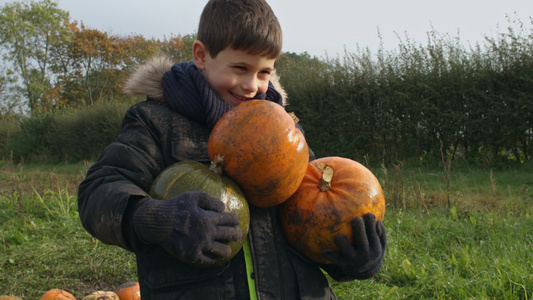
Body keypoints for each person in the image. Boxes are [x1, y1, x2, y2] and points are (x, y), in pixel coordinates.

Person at [77, 0, 387, 299]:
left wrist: (348, 258)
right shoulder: (156, 124)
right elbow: (97, 192)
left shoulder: (285, 132)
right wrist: (156, 218)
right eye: (240, 67)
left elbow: (312, 214)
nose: (253, 85)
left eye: (264, 72)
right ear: (201, 55)